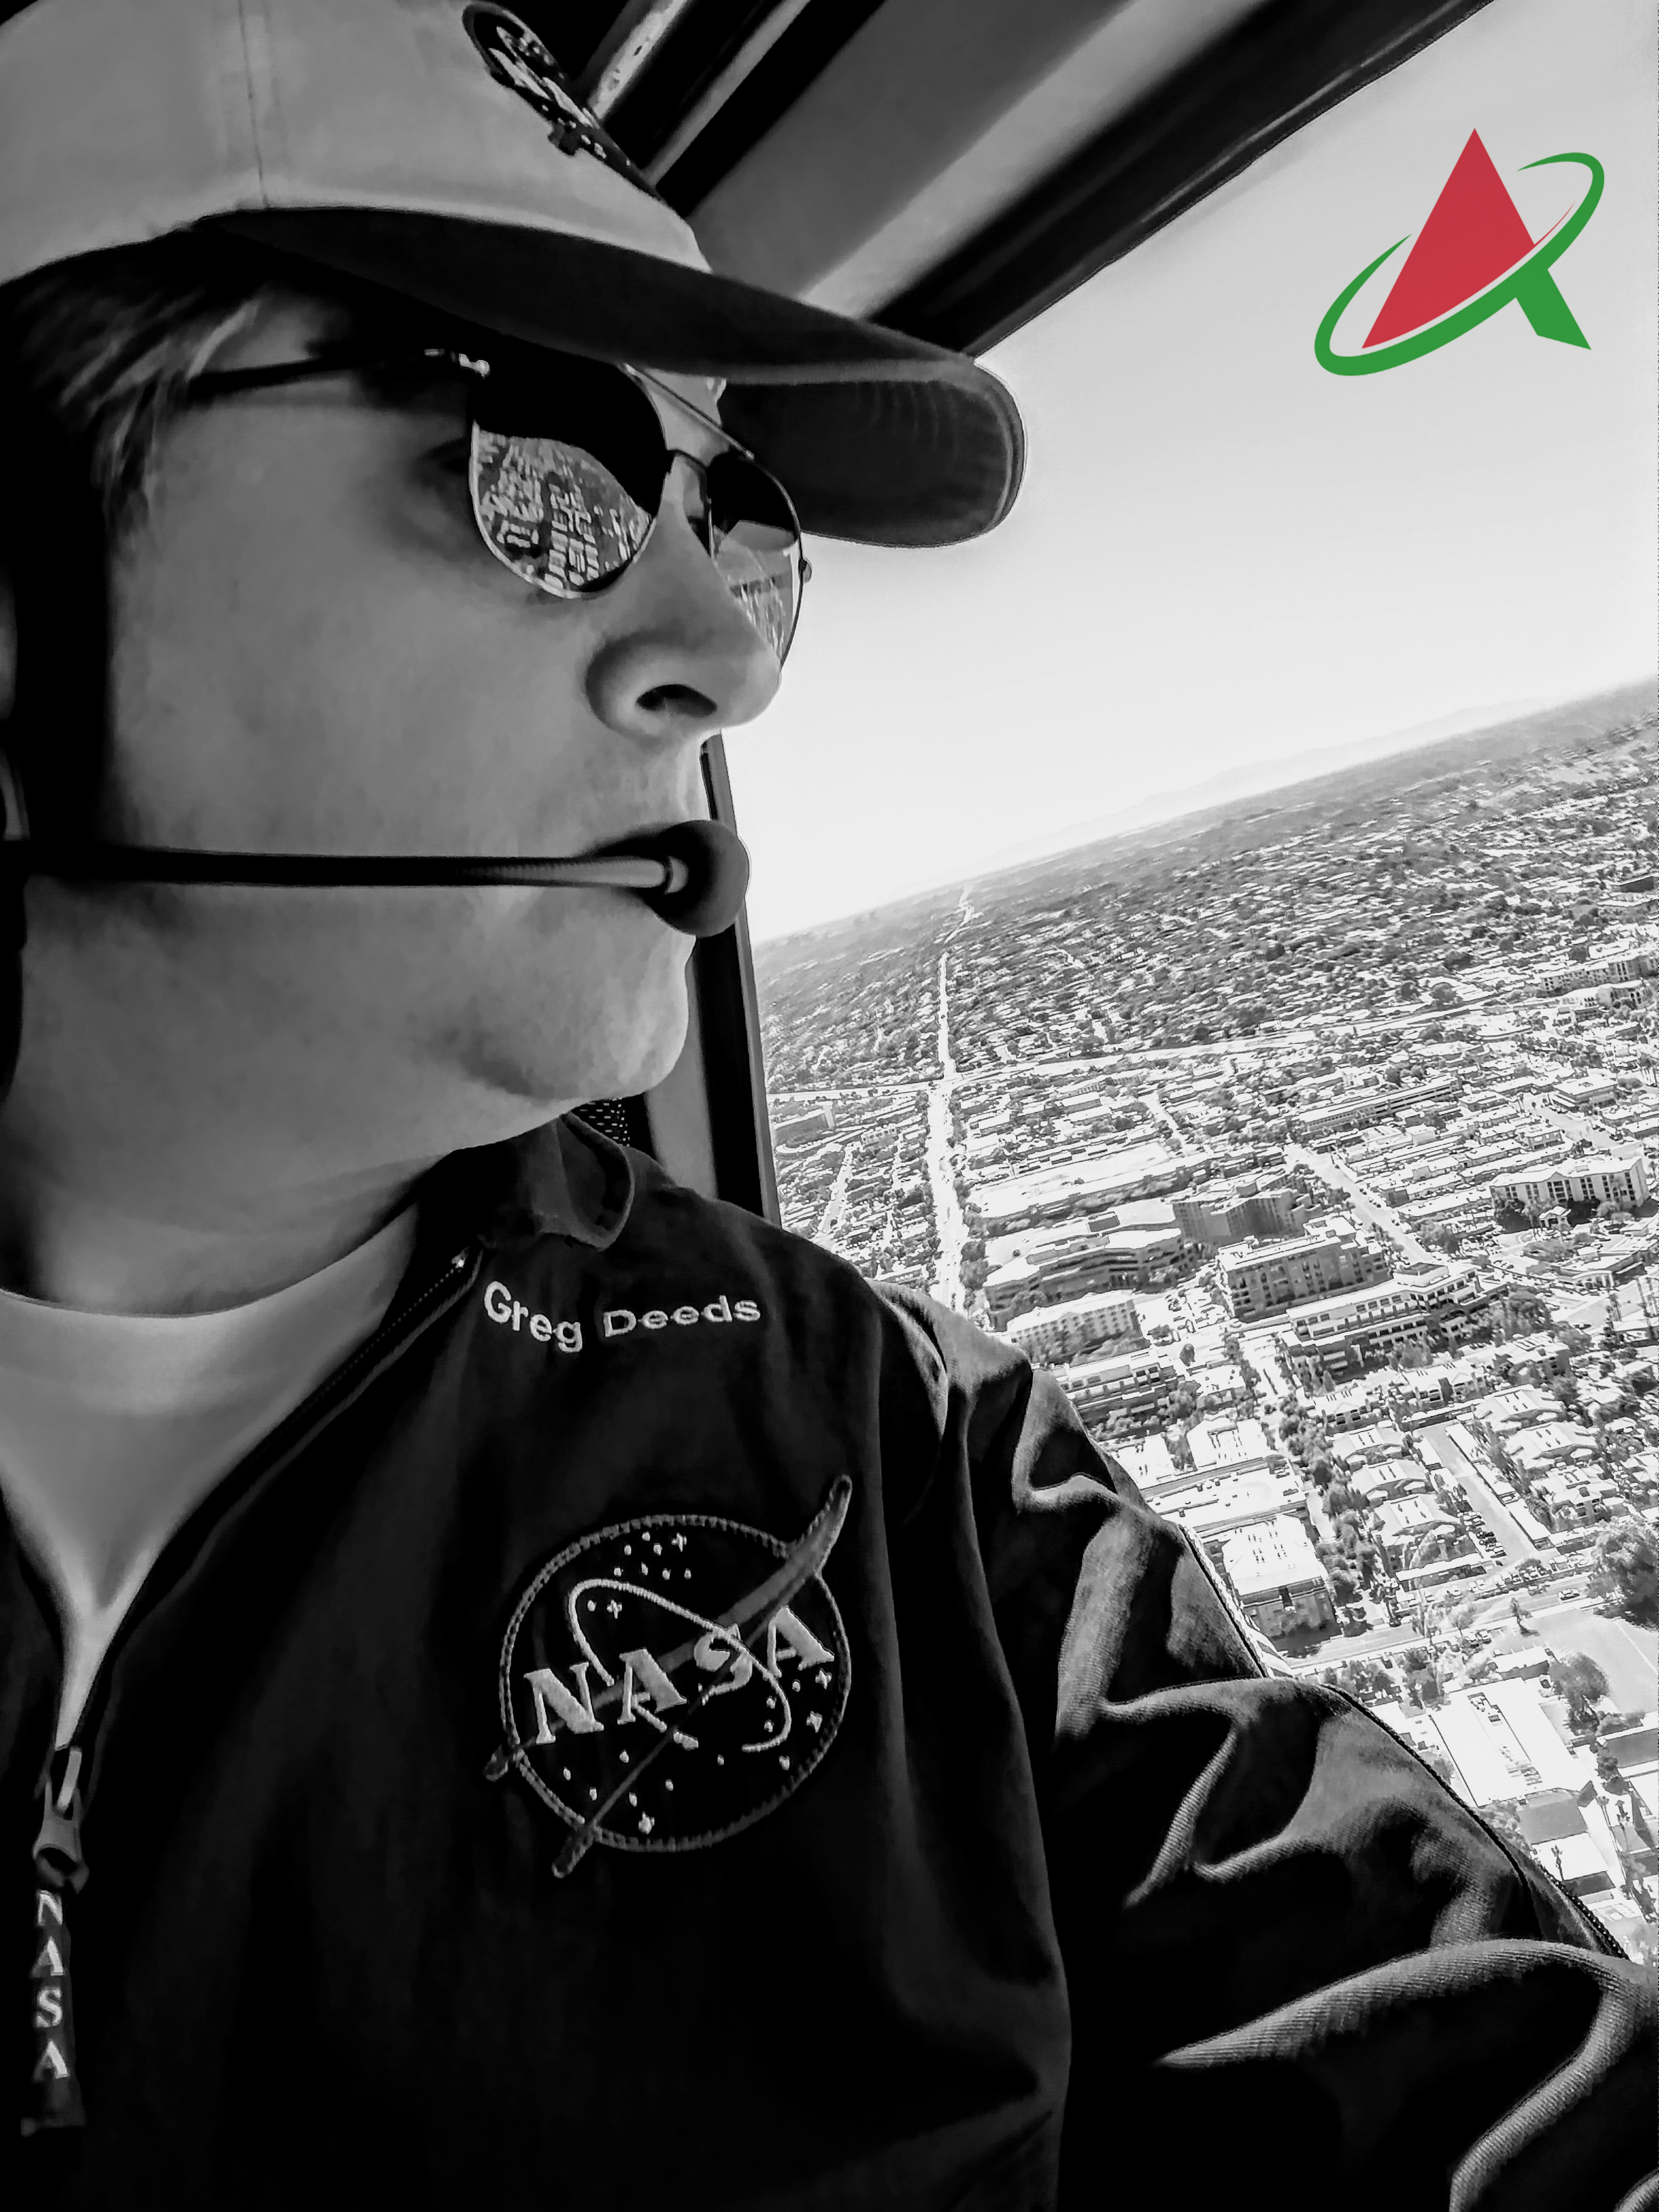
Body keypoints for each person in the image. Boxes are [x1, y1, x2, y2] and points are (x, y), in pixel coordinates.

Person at [0, 4, 1654, 2208]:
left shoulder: (876, 1440)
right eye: (542, 467)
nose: (728, 646)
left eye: (742, 522)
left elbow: (1481, 2091)